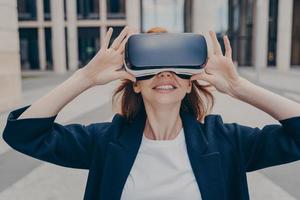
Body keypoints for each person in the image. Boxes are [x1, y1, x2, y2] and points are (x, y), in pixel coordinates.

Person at [2, 26, 300, 200]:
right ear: (135, 84)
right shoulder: (105, 142)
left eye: (176, 68)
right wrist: (86, 78)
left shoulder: (226, 141)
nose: (165, 74)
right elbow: (23, 134)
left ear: (189, 85)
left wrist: (239, 87)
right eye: (152, 66)